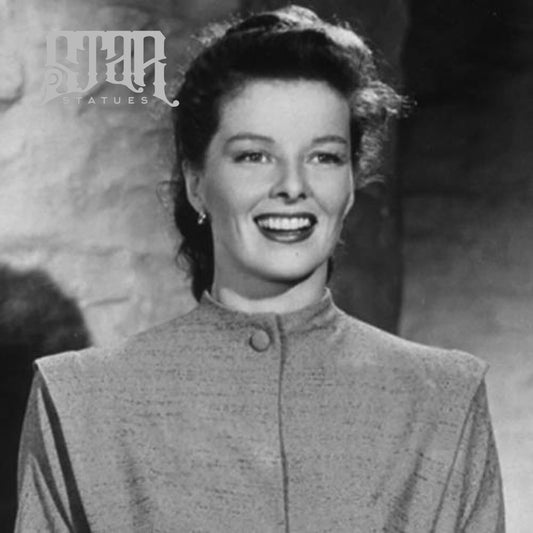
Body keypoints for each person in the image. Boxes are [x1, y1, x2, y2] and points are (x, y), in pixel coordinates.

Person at [15, 5, 505, 532]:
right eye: (254, 156)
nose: (293, 186)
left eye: (324, 157)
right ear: (196, 183)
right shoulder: (79, 402)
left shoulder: (444, 400)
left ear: (349, 186)